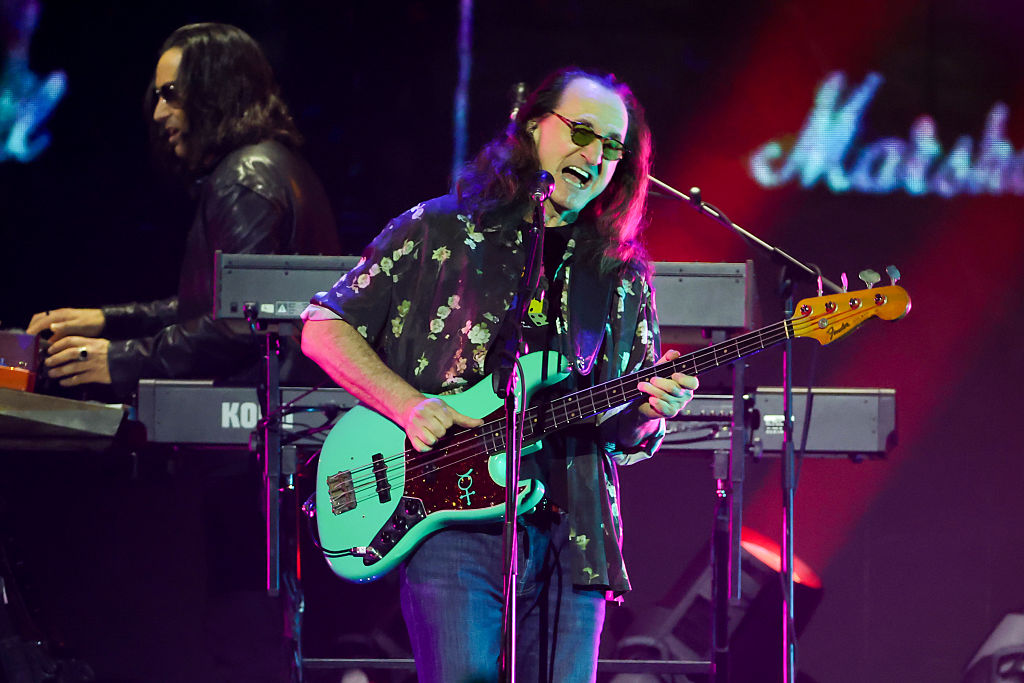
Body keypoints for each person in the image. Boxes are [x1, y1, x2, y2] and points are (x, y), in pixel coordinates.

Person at [301, 68, 698, 682]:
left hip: (573, 536)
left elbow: (622, 435)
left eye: (612, 147)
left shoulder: (620, 274)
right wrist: (409, 405)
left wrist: (648, 412)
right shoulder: (440, 229)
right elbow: (324, 326)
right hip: (451, 526)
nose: (595, 156)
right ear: (533, 126)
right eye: (582, 132)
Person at [26, 22, 341, 401]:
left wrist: (120, 359)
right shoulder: (272, 164)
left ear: (215, 90)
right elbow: (215, 307)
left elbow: (239, 324)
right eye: (158, 96)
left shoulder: (243, 177)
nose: (159, 113)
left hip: (262, 417)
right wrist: (108, 320)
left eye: (171, 94)